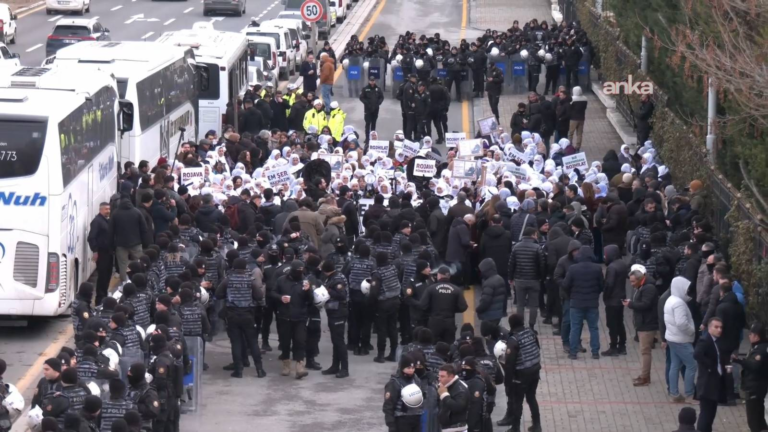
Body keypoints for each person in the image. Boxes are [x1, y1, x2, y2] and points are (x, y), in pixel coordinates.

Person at [215, 258, 266, 378]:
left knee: (236, 342)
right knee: (253, 342)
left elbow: (218, 294)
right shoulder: (250, 281)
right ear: (245, 268)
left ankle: (238, 370)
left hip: (232, 315)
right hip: (248, 314)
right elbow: (259, 297)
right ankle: (259, 369)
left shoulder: (228, 280)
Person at [272, 260, 313, 378]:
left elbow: (310, 300)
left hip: (300, 317)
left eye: (301, 271)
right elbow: (272, 292)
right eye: (297, 271)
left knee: (300, 341)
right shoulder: (281, 280)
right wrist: (281, 298)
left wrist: (308, 290)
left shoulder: (305, 282)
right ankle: (286, 364)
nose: (299, 273)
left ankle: (300, 367)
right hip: (284, 316)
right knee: (285, 342)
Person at [563, 245, 604, 359]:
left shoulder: (573, 268)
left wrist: (571, 295)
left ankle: (573, 353)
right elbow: (601, 285)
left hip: (576, 303)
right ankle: (595, 352)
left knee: (575, 327)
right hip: (592, 303)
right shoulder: (597, 268)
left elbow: (565, 285)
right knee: (593, 328)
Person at [503, 313, 542, 432]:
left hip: (521, 374)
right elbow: (537, 347)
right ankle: (537, 425)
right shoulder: (531, 332)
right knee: (531, 397)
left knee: (517, 401)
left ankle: (515, 428)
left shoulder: (513, 340)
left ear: (511, 324)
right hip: (535, 370)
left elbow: (509, 364)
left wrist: (508, 382)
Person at [664, 276, 697, 403]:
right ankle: (689, 394)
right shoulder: (679, 304)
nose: (687, 291)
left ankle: (674, 393)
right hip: (681, 339)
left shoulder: (670, 300)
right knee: (692, 365)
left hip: (672, 338)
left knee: (675, 365)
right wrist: (692, 331)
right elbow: (681, 323)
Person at [624, 266, 658, 386]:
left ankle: (645, 377)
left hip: (647, 324)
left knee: (645, 351)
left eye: (633, 281)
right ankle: (644, 375)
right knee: (644, 351)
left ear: (640, 279)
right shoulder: (642, 286)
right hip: (643, 322)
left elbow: (645, 304)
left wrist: (631, 304)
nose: (631, 284)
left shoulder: (648, 288)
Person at [508, 227, 547, 330]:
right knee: (533, 305)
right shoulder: (537, 247)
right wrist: (541, 278)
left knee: (520, 305)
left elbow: (511, 264)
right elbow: (542, 264)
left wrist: (510, 278)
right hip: (534, 280)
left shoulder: (516, 247)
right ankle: (531, 326)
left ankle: (520, 326)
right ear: (533, 235)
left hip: (520, 280)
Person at [732, 322, 768, 432]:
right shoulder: (757, 347)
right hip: (756, 386)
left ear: (756, 336)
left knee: (753, 420)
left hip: (755, 387)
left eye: (751, 334)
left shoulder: (760, 350)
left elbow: (754, 366)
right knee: (759, 418)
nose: (749, 336)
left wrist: (738, 361)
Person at [110, 184, 150, 282]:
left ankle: (124, 283)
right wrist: (145, 243)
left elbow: (111, 231)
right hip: (136, 243)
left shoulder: (115, 213)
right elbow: (144, 229)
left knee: (123, 265)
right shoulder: (136, 212)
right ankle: (140, 280)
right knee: (139, 262)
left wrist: (112, 246)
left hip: (120, 244)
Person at [419, 266, 468, 344]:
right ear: (449, 276)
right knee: (449, 346)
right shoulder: (456, 289)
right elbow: (463, 307)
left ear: (439, 275)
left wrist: (432, 311)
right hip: (450, 322)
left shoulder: (431, 288)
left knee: (433, 346)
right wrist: (453, 309)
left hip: (434, 322)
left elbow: (422, 305)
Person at [695, 317, 727, 432]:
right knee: (706, 414)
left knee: (711, 414)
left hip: (715, 383)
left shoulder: (716, 341)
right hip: (707, 384)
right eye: (716, 327)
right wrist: (710, 367)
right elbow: (697, 354)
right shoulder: (705, 340)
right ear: (709, 328)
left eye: (721, 327)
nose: (719, 330)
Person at [369, 251, 401, 363]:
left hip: (383, 303)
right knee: (392, 328)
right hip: (396, 300)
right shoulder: (393, 268)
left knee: (381, 329)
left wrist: (370, 303)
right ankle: (393, 354)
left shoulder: (377, 273)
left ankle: (380, 355)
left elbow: (373, 292)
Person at [320, 259, 350, 378]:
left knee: (339, 341)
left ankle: (344, 368)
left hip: (339, 312)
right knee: (335, 340)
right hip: (333, 312)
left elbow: (342, 296)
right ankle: (335, 365)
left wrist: (329, 291)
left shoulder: (337, 279)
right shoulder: (332, 277)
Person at [382, 354, 423, 432]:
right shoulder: (395, 383)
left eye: (413, 368)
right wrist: (391, 424)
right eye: (408, 368)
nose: (411, 370)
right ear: (402, 368)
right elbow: (388, 406)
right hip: (402, 419)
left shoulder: (416, 380)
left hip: (416, 417)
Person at [602, 244, 628, 356]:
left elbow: (609, 284)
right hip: (621, 298)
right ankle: (622, 345)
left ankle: (613, 346)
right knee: (620, 322)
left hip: (612, 300)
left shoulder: (612, 267)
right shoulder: (622, 264)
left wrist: (605, 296)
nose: (604, 256)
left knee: (611, 324)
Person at [88, 202, 113, 305]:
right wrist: (95, 251)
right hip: (102, 253)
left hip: (109, 252)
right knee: (102, 276)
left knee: (107, 275)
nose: (108, 211)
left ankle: (104, 295)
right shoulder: (97, 222)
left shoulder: (106, 221)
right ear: (100, 210)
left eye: (109, 209)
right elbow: (91, 238)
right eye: (106, 209)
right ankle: (100, 299)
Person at [475, 258, 508, 327]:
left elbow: (485, 301)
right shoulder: (500, 278)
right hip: (498, 314)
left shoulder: (489, 283)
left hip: (489, 316)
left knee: (488, 334)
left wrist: (478, 309)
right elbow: (505, 297)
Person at [437, 364, 468, 431]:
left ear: (451, 376)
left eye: (442, 376)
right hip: (446, 427)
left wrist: (444, 395)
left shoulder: (460, 389)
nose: (439, 379)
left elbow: (458, 407)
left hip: (457, 429)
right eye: (439, 376)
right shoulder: (444, 386)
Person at [360, 75, 384, 142]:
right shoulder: (365, 89)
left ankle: (372, 137)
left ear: (375, 81)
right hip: (368, 109)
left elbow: (381, 97)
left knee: (374, 123)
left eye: (373, 81)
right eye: (371, 81)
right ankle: (367, 138)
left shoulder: (378, 89)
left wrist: (378, 103)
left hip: (375, 109)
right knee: (367, 123)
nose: (372, 82)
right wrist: (366, 103)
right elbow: (361, 97)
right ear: (369, 81)